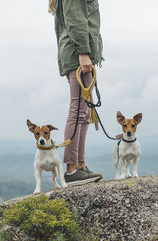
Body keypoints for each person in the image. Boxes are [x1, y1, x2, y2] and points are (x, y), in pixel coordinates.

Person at [49, 0, 104, 185]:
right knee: (79, 109)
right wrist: (83, 52)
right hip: (77, 54)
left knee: (85, 112)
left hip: (78, 53)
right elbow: (75, 20)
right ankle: (72, 170)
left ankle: (80, 165)